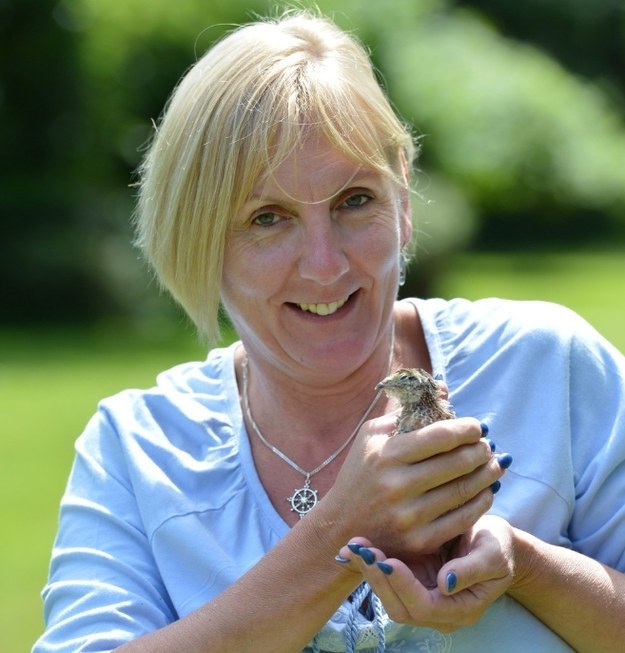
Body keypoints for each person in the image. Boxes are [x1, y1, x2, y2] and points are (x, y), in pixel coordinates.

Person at [33, 10, 625, 653]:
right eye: (267, 218)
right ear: (196, 238)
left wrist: (527, 567)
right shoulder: (139, 450)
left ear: (401, 198)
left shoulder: (547, 367)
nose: (325, 264)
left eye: (354, 200)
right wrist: (336, 535)